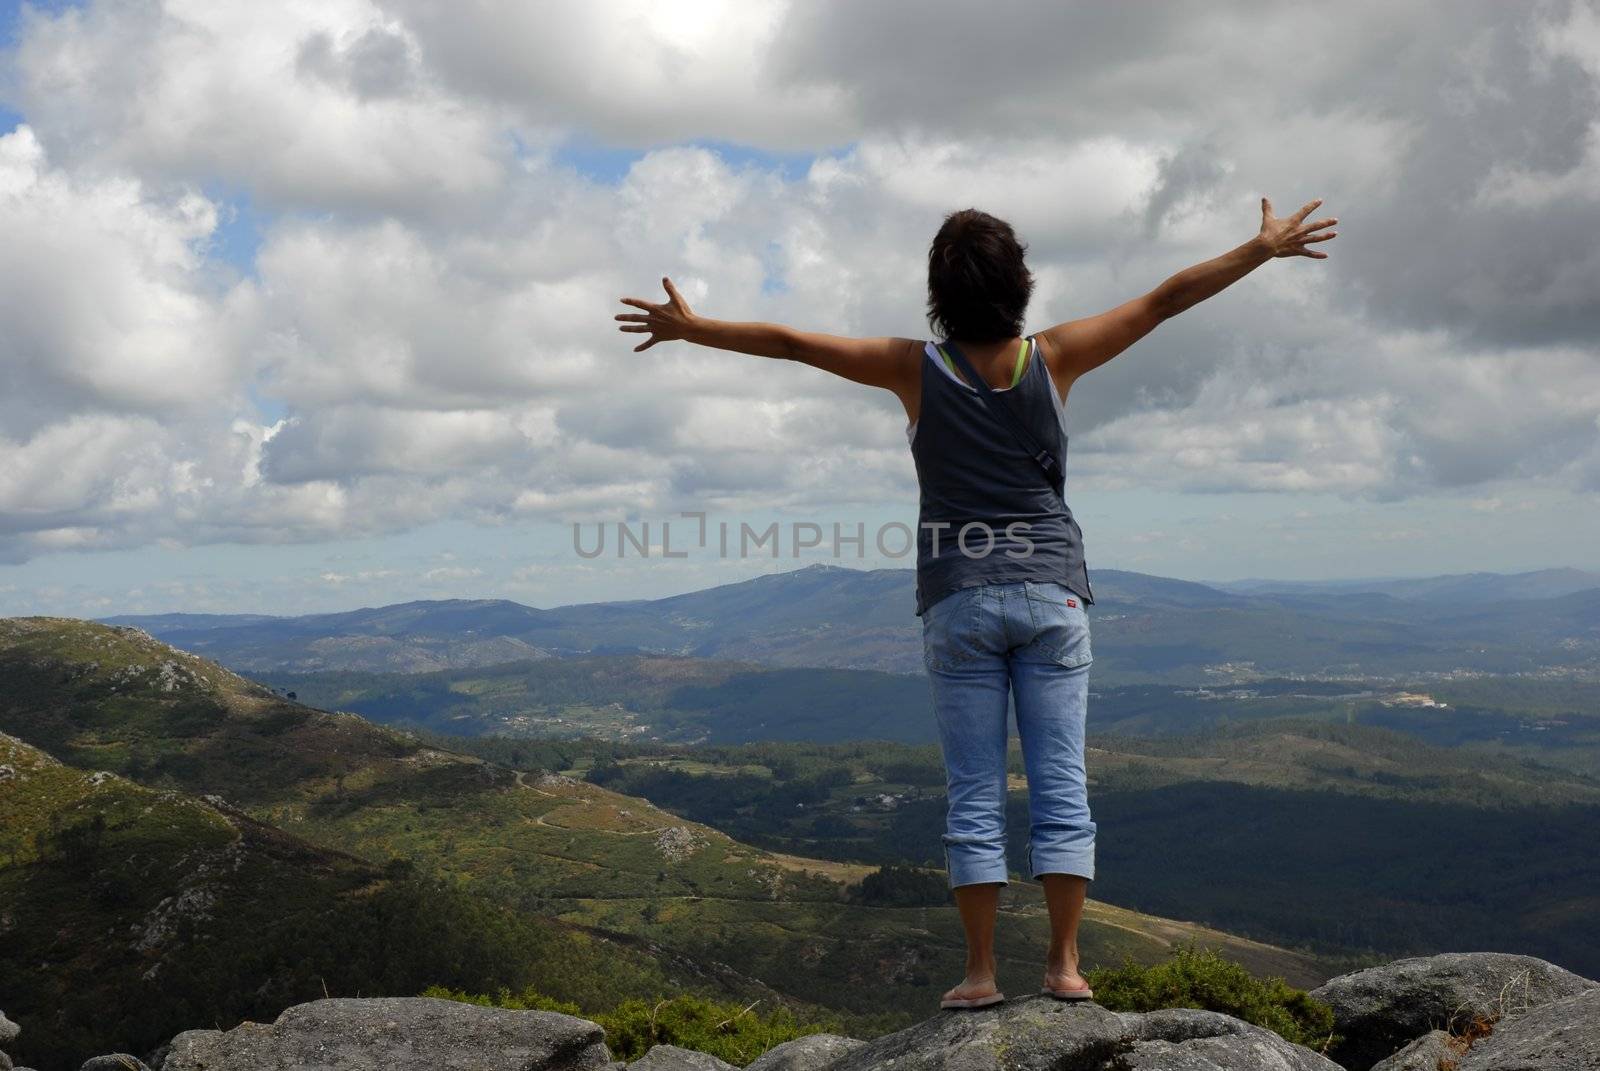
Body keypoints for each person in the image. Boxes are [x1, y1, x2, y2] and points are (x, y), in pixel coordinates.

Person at [615, 196, 1337, 1010]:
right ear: (1019, 283)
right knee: (1061, 784)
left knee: (974, 792)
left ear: (938, 293)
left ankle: (981, 973)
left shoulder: (910, 367)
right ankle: (1064, 968)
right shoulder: (1054, 356)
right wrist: (1260, 248)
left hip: (958, 601)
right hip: (1053, 596)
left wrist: (694, 327)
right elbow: (1166, 299)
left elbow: (789, 344)